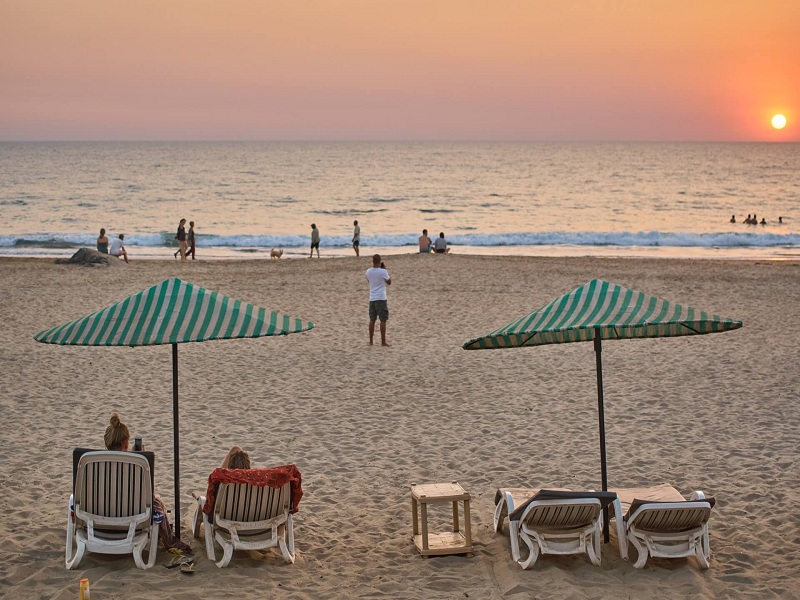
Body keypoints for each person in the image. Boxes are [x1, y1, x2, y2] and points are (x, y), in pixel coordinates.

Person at [103, 413, 191, 553]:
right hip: (131, 518)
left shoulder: (93, 464)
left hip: (100, 519)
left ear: (107, 442)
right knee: (156, 500)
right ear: (126, 443)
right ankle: (168, 540)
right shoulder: (137, 465)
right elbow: (146, 491)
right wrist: (140, 460)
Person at [365, 254, 391, 346]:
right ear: (380, 261)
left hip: (372, 298)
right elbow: (389, 282)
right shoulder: (383, 271)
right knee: (383, 320)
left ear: (373, 261)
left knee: (372, 320)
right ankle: (383, 341)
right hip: (381, 297)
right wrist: (385, 269)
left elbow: (369, 281)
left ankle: (371, 341)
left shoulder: (368, 271)